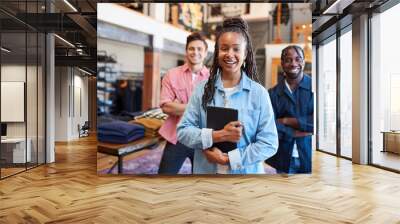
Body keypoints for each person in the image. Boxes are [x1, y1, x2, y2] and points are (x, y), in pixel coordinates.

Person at [177, 17, 278, 174]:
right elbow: (183, 131)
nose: (230, 54)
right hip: (206, 174)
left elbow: (269, 143)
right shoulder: (201, 90)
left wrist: (231, 159)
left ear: (245, 54)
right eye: (224, 48)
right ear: (217, 52)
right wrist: (218, 135)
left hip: (245, 178)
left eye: (236, 49)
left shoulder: (259, 94)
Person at [158, 32, 210, 174]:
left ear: (205, 53)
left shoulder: (213, 79)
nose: (195, 52)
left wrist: (179, 106)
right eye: (191, 48)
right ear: (186, 51)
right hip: (177, 137)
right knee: (164, 179)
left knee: (202, 184)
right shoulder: (171, 74)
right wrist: (197, 107)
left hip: (202, 139)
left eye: (199, 49)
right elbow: (165, 106)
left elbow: (213, 110)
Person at [265, 45, 314, 174]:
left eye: (298, 59)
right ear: (282, 63)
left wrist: (286, 120)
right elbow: (269, 125)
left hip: (311, 157)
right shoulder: (272, 94)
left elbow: (317, 122)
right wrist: (292, 133)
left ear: (303, 61)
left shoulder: (315, 88)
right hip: (282, 158)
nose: (293, 63)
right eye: (288, 60)